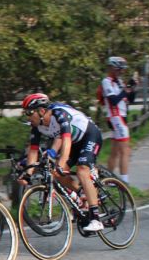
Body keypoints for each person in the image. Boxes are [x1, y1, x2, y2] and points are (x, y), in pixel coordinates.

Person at [20, 92, 104, 232]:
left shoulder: (59, 115)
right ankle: (81, 194)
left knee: (82, 170)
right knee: (55, 173)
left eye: (29, 112)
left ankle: (96, 219)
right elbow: (33, 151)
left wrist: (61, 163)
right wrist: (28, 174)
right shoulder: (37, 126)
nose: (27, 116)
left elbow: (66, 141)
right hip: (74, 143)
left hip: (89, 136)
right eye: (25, 113)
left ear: (41, 111)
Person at [101, 56, 136, 184]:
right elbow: (113, 100)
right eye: (119, 69)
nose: (121, 72)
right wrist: (125, 91)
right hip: (116, 117)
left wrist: (132, 88)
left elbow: (130, 99)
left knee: (115, 151)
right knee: (125, 150)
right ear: (112, 68)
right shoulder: (106, 81)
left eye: (122, 70)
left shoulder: (119, 81)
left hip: (122, 116)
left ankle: (107, 180)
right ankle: (124, 182)